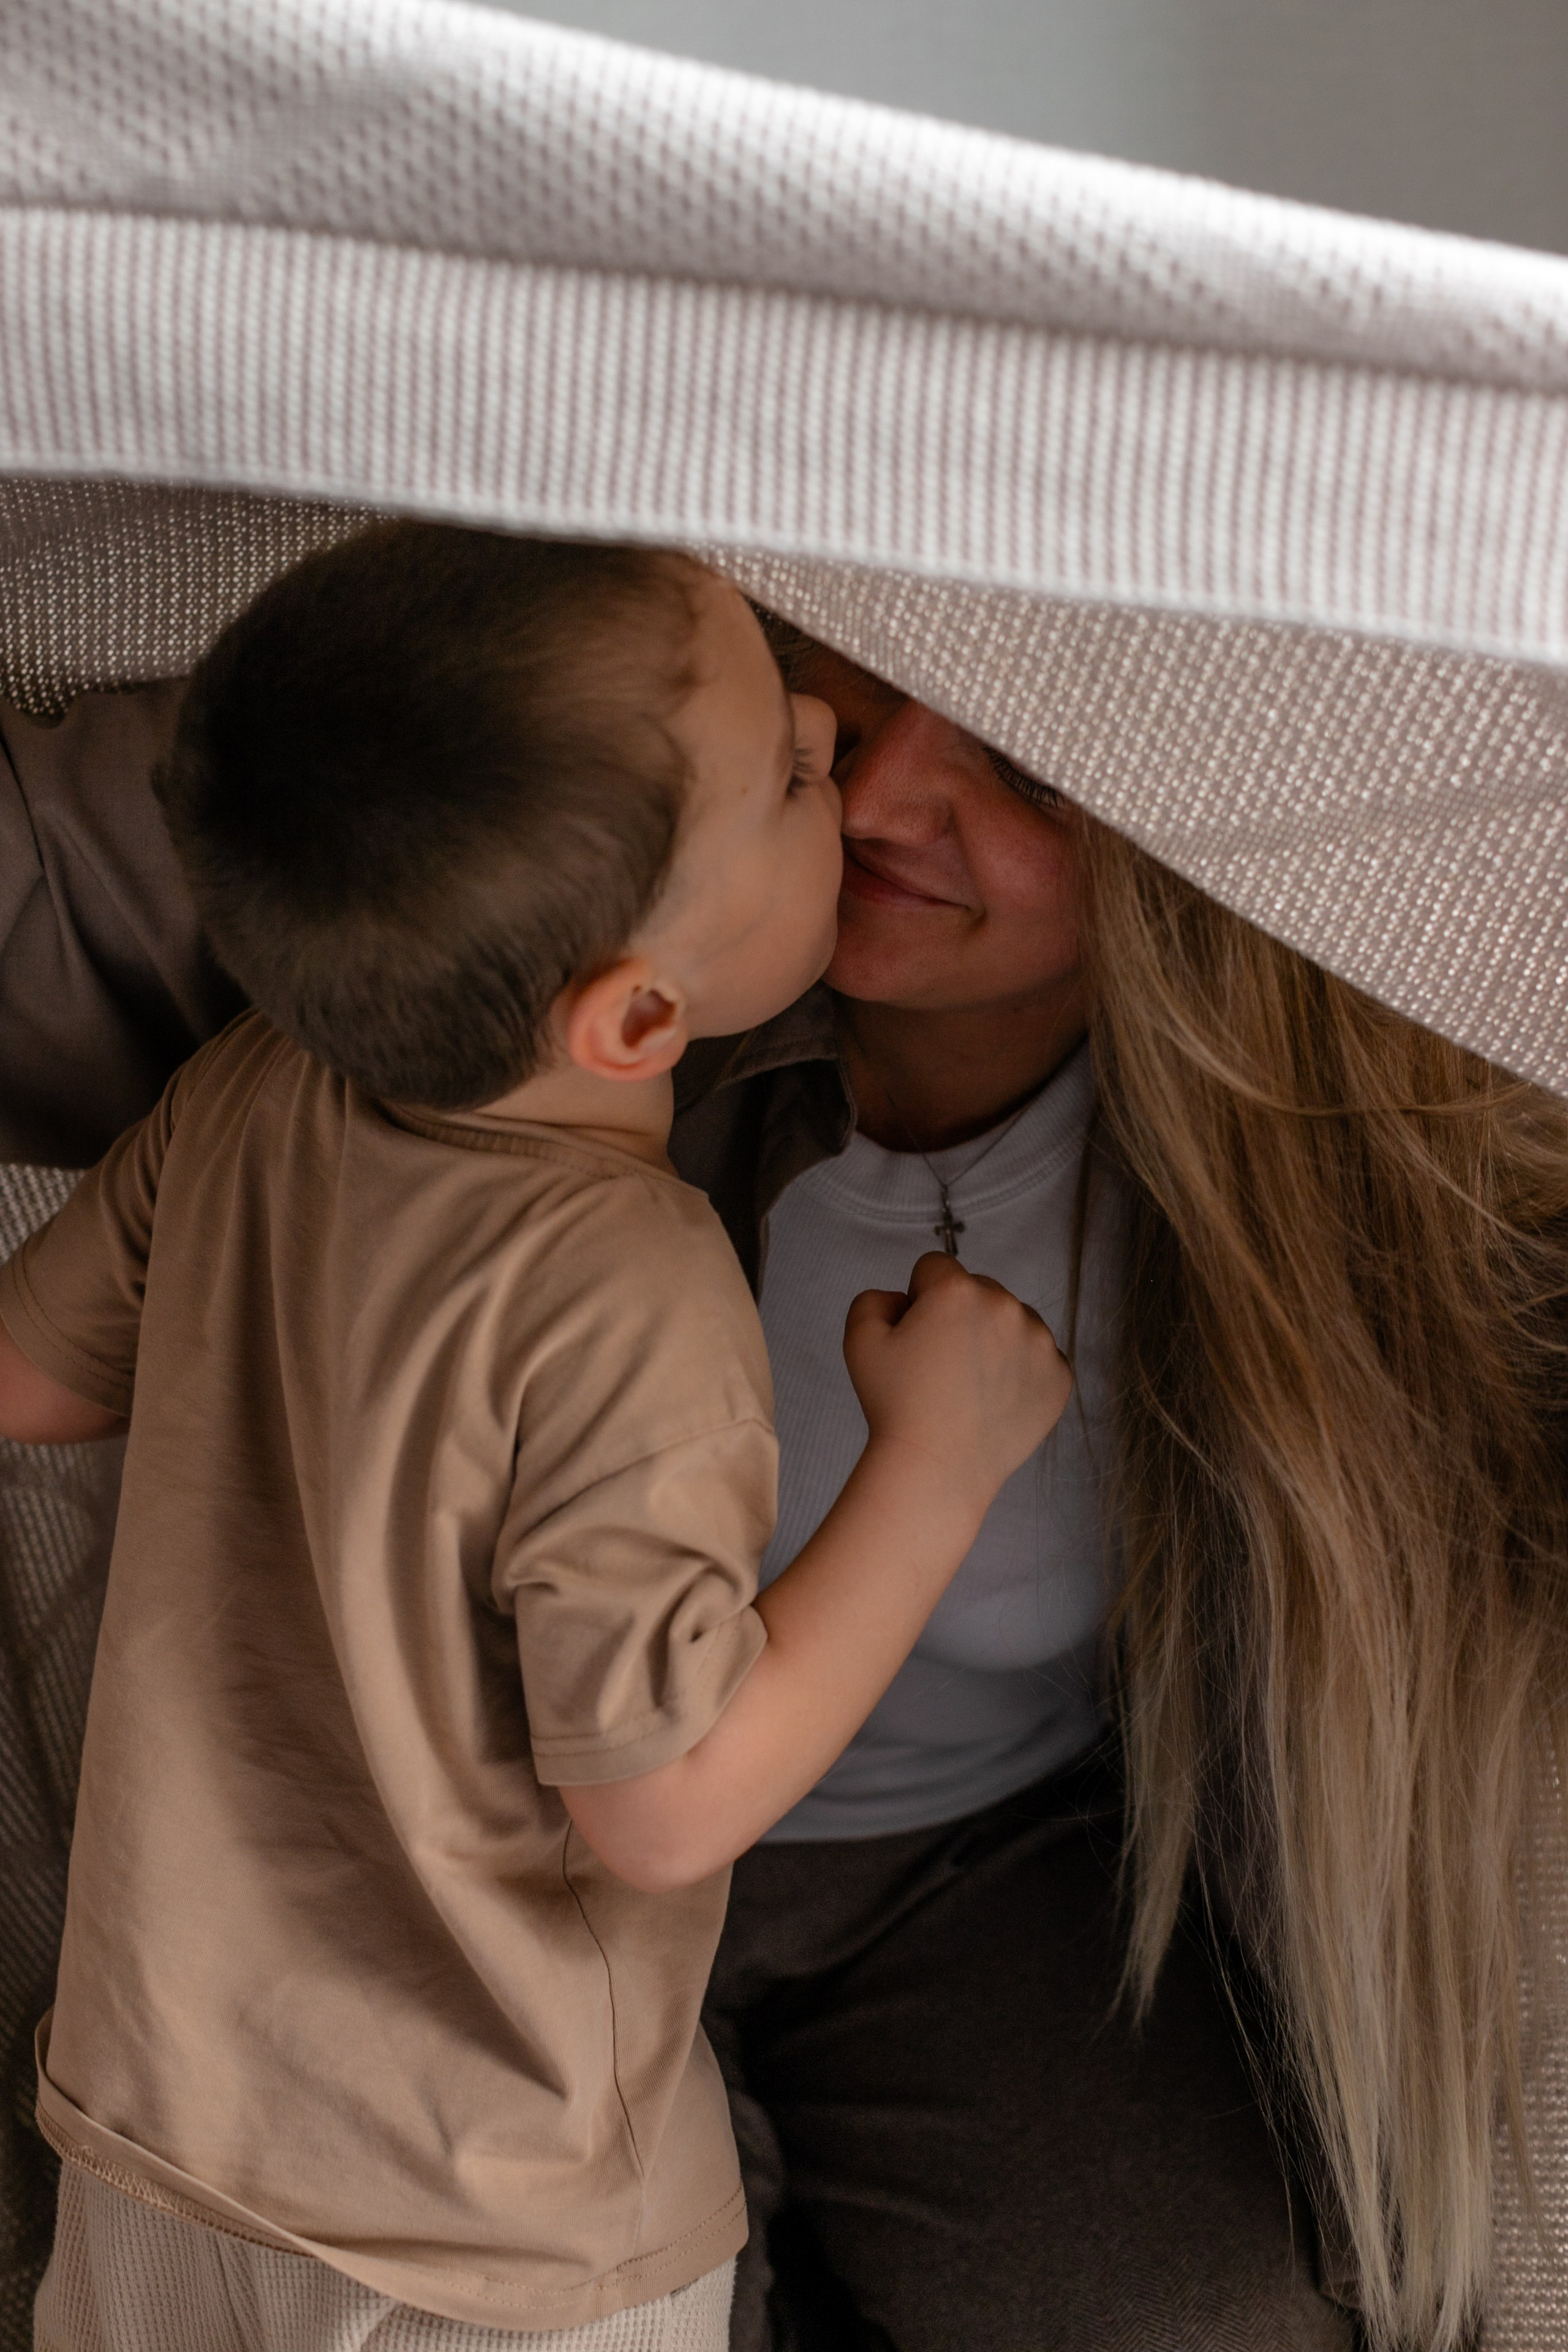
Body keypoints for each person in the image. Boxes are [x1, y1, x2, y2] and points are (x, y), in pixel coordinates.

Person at [0, 526, 1071, 2352]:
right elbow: (665, 1801)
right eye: (799, 775)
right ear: (641, 1014)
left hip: (160, 2114)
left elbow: (28, 1382)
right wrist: (940, 1463)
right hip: (482, 2220)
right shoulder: (639, 1289)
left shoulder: (257, 1084)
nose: (835, 731)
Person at [669, 631, 1568, 2352]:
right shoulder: (608, 1013)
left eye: (1030, 776)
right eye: (863, 688)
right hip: (514, 1851)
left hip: (951, 1872)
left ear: (1180, 850)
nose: (879, 793)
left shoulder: (1259, 1176)